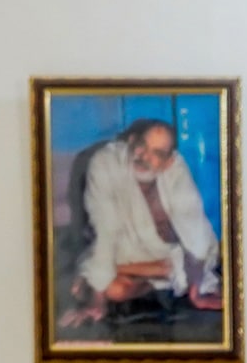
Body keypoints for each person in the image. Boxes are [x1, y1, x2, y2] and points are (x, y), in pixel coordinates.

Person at [69, 118, 219, 332]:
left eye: (157, 153)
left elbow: (194, 230)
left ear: (168, 161)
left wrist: (196, 292)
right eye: (142, 146)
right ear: (131, 141)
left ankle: (131, 272)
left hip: (175, 256)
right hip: (125, 251)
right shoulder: (105, 163)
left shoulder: (176, 171)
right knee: (113, 290)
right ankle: (160, 272)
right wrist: (97, 302)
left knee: (99, 278)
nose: (145, 157)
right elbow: (106, 230)